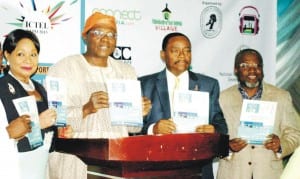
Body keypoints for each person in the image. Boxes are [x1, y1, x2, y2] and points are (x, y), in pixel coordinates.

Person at [46, 12, 151, 179]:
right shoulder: (64, 68)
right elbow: (53, 118)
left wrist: (139, 114)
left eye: (111, 34)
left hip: (116, 161)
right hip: (75, 161)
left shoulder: (126, 71)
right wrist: (86, 109)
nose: (105, 39)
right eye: (98, 33)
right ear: (85, 37)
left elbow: (133, 128)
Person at [138, 32, 228, 179]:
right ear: (163, 55)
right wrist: (152, 129)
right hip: (156, 169)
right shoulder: (144, 84)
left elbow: (221, 124)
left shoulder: (209, 84)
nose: (182, 56)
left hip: (197, 168)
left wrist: (214, 129)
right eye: (175, 51)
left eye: (187, 51)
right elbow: (131, 129)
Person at [216, 48, 300, 179]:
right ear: (236, 70)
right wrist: (226, 147)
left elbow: (295, 133)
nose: (252, 70)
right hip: (233, 174)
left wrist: (281, 145)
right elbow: (210, 138)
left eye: (257, 65)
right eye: (245, 65)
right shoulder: (222, 98)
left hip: (268, 174)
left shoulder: (281, 96)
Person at [0, 29, 71, 179]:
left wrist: (62, 132)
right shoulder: (2, 88)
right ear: (7, 55)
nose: (28, 60)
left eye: (33, 54)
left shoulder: (41, 89)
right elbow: (9, 133)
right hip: (14, 167)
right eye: (21, 54)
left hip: (42, 165)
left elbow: (49, 129)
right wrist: (38, 123)